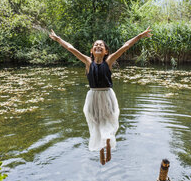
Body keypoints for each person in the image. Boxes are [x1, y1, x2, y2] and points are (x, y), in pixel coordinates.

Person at [49, 27, 152, 165]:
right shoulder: (87, 62)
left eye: (101, 45)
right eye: (95, 45)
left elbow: (125, 46)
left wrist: (140, 36)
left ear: (105, 51)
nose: (98, 46)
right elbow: (70, 48)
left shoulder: (108, 61)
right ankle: (100, 150)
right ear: (92, 51)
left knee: (108, 120)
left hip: (107, 95)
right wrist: (58, 39)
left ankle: (108, 145)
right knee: (96, 122)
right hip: (93, 96)